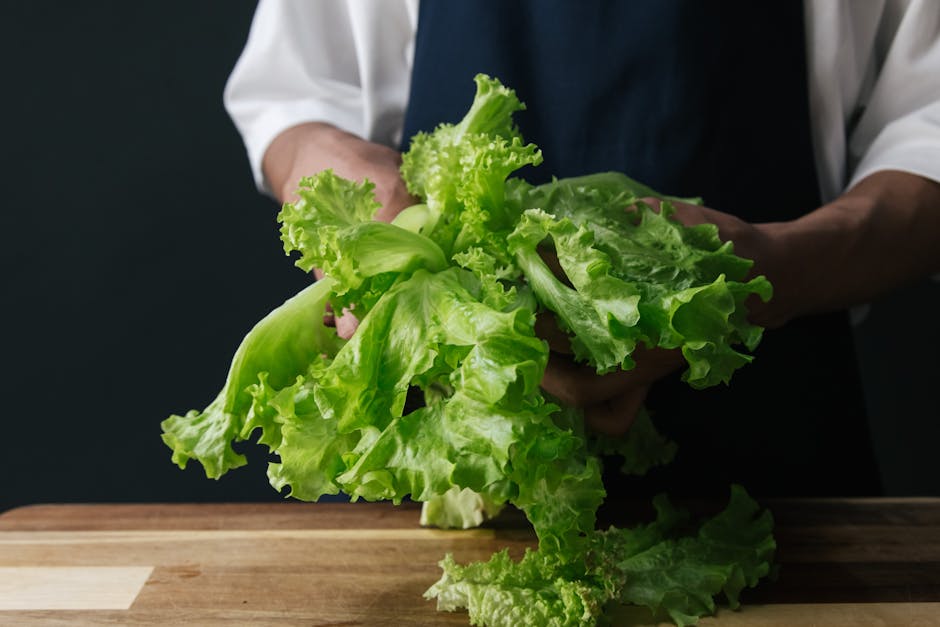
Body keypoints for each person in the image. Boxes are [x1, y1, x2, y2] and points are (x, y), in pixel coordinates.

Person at [223, 0, 940, 497]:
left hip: (779, 455)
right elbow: (295, 94)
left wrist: (765, 269)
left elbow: (927, 128)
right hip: (450, 464)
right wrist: (346, 186)